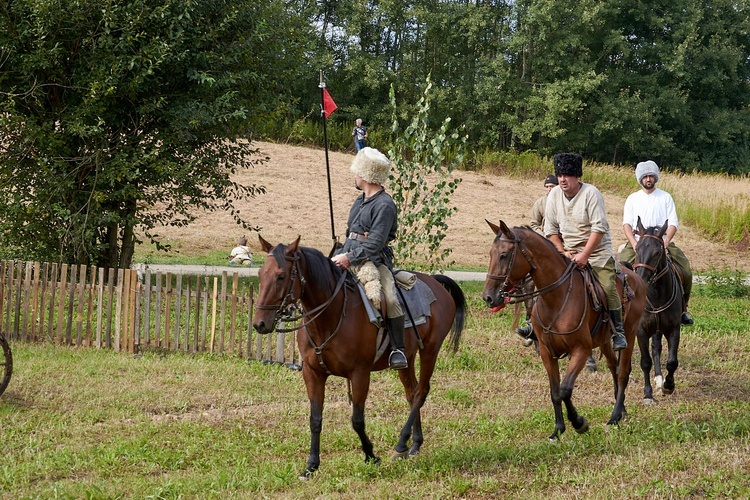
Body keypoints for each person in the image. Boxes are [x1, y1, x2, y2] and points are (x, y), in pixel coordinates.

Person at [331, 147, 407, 370]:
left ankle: (397, 350)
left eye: (356, 172)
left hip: (374, 261)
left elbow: (374, 243)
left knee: (390, 300)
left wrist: (350, 258)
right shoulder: (359, 200)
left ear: (365, 175)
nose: (354, 176)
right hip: (346, 253)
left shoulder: (385, 205)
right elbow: (352, 232)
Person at [544, 153, 628, 351]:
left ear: (577, 175)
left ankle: (618, 331)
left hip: (596, 252)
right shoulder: (554, 194)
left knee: (607, 286)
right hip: (566, 251)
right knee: (544, 280)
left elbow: (598, 229)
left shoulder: (591, 193)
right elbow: (550, 230)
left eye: (567, 174)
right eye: (560, 174)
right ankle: (535, 324)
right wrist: (562, 251)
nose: (563, 179)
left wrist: (585, 255)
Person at [620, 160, 694, 325]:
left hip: (661, 242)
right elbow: (626, 224)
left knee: (686, 270)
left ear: (655, 178)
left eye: (651, 176)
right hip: (639, 242)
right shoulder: (632, 198)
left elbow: (673, 222)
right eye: (645, 176)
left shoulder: (665, 197)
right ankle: (620, 309)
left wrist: (666, 241)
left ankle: (683, 309)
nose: (648, 179)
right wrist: (634, 244)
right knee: (619, 269)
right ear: (640, 179)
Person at [516, 173, 558, 343]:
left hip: (564, 245)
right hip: (545, 245)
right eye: (547, 187)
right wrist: (542, 236)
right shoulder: (541, 203)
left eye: (552, 187)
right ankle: (530, 320)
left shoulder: (564, 202)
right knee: (527, 280)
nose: (549, 190)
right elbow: (534, 223)